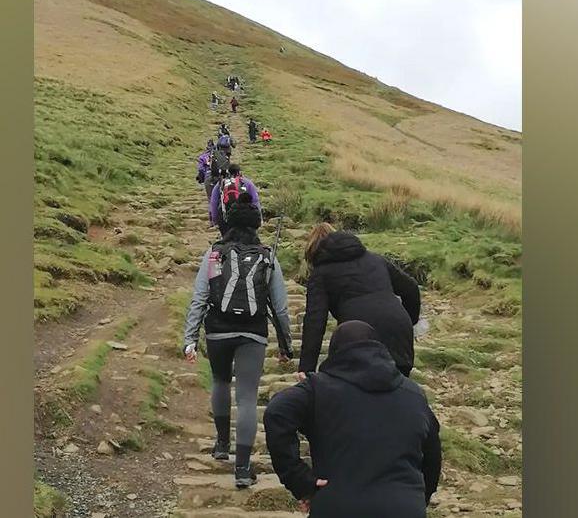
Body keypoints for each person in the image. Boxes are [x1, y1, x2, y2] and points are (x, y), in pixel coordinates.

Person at [264, 320, 441, 517]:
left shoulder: (317, 389)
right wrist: (417, 497)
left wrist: (299, 479)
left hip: (338, 505)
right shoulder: (413, 394)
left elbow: (276, 412)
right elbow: (432, 456)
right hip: (404, 507)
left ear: (335, 354)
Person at [183, 200, 294, 489]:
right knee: (246, 397)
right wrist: (286, 345)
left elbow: (199, 298)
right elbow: (280, 308)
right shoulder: (267, 256)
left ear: (226, 224)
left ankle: (221, 445)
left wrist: (190, 339)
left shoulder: (214, 253)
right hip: (252, 334)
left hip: (218, 331)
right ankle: (243, 469)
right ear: (256, 225)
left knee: (220, 382)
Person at [298, 224, 421, 377]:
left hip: (357, 333)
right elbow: (411, 289)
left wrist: (306, 367)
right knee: (397, 389)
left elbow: (315, 320)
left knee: (355, 391)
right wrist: (410, 320)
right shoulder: (376, 260)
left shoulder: (321, 274)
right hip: (398, 330)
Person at [209, 164, 261, 232]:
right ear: (239, 172)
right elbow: (255, 201)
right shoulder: (247, 183)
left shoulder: (221, 183)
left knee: (227, 239)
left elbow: (214, 202)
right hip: (245, 218)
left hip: (226, 219)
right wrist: (259, 219)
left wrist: (215, 220)